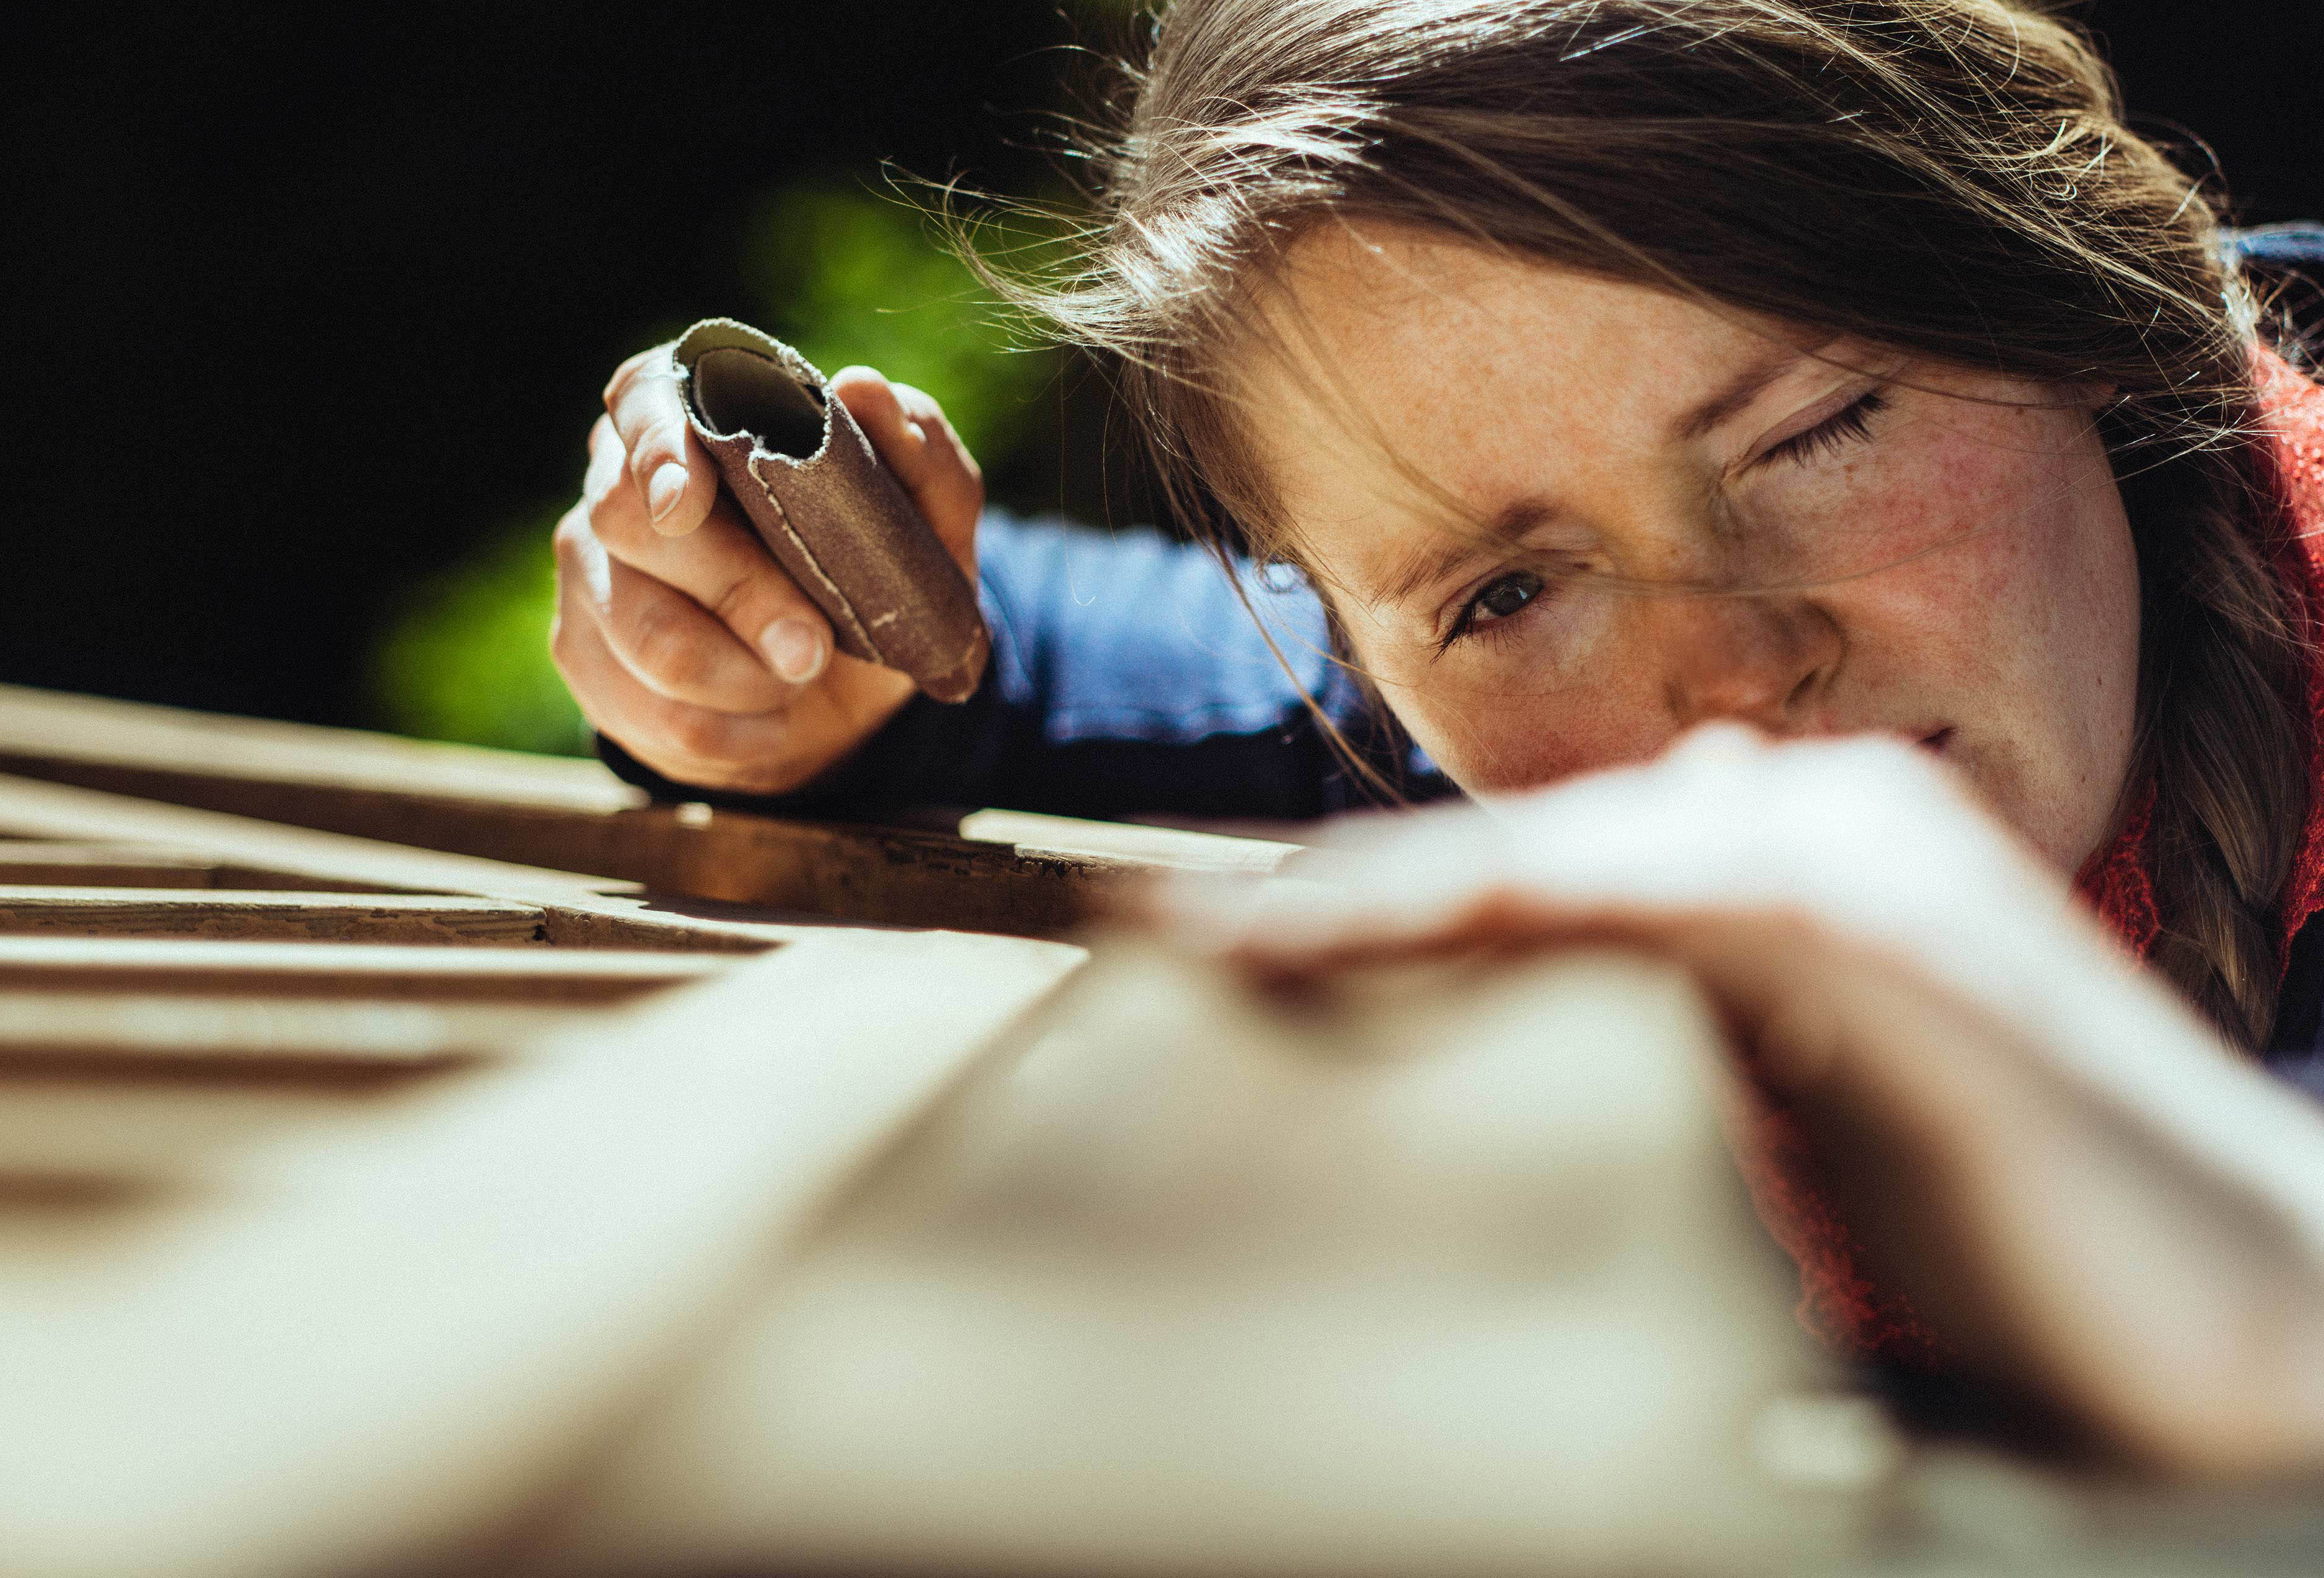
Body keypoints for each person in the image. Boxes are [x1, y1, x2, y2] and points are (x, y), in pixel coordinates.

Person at [552, 0, 2324, 1476]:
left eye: (1817, 430)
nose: (1728, 667)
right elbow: (1031, 656)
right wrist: (769, 664)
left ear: (2073, 299)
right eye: (1502, 595)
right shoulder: (1429, 727)